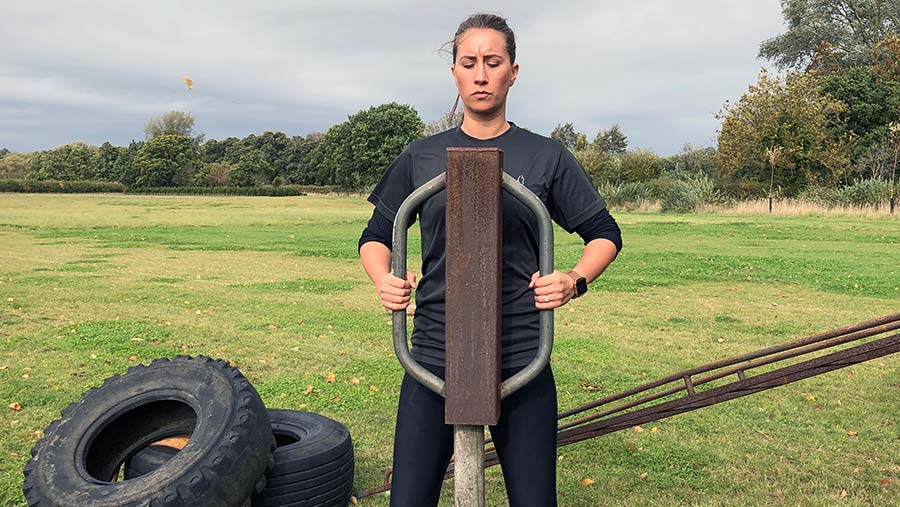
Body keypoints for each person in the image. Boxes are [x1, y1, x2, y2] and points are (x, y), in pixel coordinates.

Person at [358, 13, 622, 507]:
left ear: (513, 73)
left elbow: (604, 234)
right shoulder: (421, 156)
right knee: (408, 500)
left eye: (493, 62)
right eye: (469, 63)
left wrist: (574, 280)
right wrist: (383, 278)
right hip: (433, 356)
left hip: (521, 357)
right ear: (455, 73)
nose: (481, 74)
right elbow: (375, 237)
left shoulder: (546, 156)